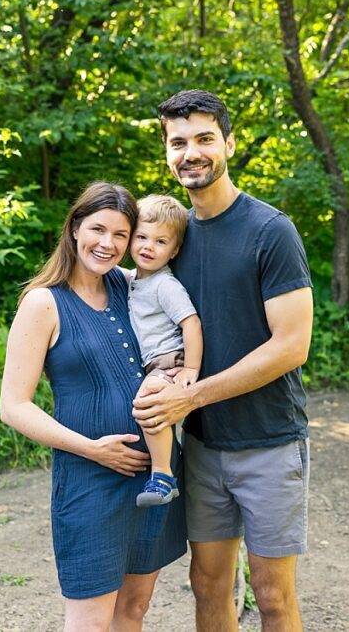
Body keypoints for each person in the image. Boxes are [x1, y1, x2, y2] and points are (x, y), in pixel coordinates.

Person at [132, 90, 314, 632]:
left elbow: (291, 345)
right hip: (203, 447)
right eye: (178, 142)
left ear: (229, 144)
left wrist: (192, 395)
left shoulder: (270, 230)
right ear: (167, 153)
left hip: (268, 441)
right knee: (208, 585)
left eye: (204, 138)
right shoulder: (173, 238)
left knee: (272, 595)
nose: (191, 152)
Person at [0, 182, 186, 632]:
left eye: (121, 235)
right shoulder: (44, 302)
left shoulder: (131, 286)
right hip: (90, 482)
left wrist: (180, 381)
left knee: (134, 609)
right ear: (75, 228)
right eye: (98, 229)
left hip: (153, 478)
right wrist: (93, 449)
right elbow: (13, 406)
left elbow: (173, 338)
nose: (108, 244)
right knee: (90, 622)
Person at [126, 194, 203, 507]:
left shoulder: (164, 285)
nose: (148, 247)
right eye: (141, 237)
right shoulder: (132, 279)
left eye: (160, 242)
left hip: (169, 362)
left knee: (149, 402)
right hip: (153, 364)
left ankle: (162, 476)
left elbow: (191, 323)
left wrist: (191, 369)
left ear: (174, 251)